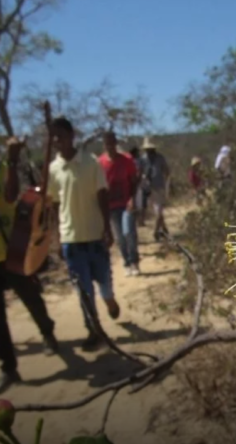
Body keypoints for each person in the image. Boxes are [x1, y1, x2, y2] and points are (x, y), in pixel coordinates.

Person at [48, 117, 120, 351]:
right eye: (54, 136)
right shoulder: (53, 169)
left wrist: (107, 229)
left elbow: (102, 196)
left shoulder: (91, 163)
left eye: (61, 135)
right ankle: (94, 330)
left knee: (104, 285)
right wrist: (58, 238)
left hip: (95, 236)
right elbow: (56, 205)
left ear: (72, 136)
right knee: (83, 290)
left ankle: (109, 301)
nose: (58, 141)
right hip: (72, 240)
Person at [0, 137, 59, 391]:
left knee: (31, 296)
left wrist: (11, 160)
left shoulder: (4, 167)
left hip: (12, 251)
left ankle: (47, 331)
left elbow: (11, 194)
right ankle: (10, 367)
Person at [98, 132, 140, 276]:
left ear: (116, 143)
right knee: (119, 237)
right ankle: (127, 262)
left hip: (126, 202)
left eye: (112, 143)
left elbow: (134, 181)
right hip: (110, 206)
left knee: (129, 231)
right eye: (107, 144)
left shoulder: (126, 160)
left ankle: (135, 261)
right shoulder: (100, 163)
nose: (110, 146)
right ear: (104, 145)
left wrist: (132, 198)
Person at [140, 137, 170, 241]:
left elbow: (166, 171)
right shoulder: (143, 159)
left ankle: (156, 232)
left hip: (159, 187)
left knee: (159, 211)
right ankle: (164, 230)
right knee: (157, 211)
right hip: (149, 189)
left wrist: (165, 183)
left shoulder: (160, 158)